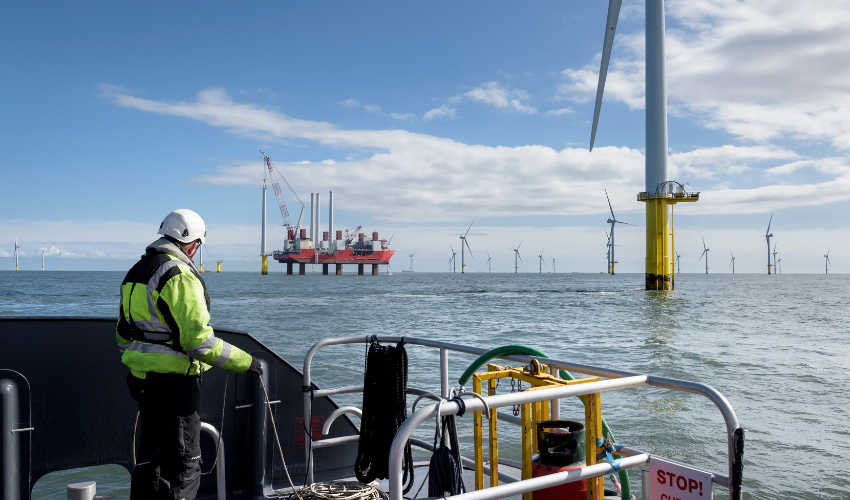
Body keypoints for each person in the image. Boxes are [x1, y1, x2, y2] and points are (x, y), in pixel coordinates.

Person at [116, 209, 263, 499]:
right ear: (193, 243)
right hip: (175, 389)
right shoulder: (178, 274)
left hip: (143, 384)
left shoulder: (136, 272)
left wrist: (144, 363)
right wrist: (247, 362)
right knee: (184, 467)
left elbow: (123, 334)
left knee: (149, 463)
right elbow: (199, 343)